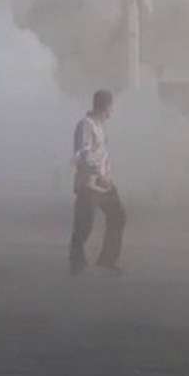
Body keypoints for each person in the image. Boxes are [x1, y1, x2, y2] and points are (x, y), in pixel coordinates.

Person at [69, 90, 127, 275]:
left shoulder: (100, 126)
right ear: (105, 107)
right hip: (90, 184)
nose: (113, 111)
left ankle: (108, 259)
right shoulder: (85, 125)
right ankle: (76, 262)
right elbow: (83, 154)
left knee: (118, 215)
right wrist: (98, 174)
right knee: (84, 225)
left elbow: (102, 155)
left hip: (103, 183)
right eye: (112, 107)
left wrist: (107, 175)